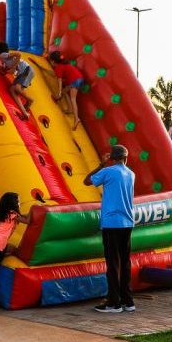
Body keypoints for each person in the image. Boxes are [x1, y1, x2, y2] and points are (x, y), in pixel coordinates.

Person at [84, 145, 136, 313]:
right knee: (125, 262)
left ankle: (113, 303)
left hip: (112, 222)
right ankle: (128, 300)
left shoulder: (108, 171)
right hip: (127, 222)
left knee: (113, 263)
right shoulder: (131, 174)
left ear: (111, 159)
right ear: (126, 158)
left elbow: (86, 181)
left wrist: (101, 164)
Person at [0, 192, 29, 309]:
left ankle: (2, 255)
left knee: (13, 248)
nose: (19, 203)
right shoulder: (12, 214)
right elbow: (27, 221)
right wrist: (34, 208)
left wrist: (33, 211)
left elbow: (24, 216)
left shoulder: (5, 213)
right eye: (18, 201)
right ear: (12, 203)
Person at [0, 41, 35, 120]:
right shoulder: (4, 62)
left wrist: (13, 68)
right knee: (12, 90)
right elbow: (4, 71)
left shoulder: (3, 55)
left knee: (17, 88)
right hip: (23, 73)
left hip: (26, 69)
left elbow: (18, 54)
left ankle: (30, 100)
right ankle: (25, 112)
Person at [47, 51, 84, 127]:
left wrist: (59, 92)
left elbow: (59, 81)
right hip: (79, 78)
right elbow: (56, 75)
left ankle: (76, 118)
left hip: (75, 80)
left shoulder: (59, 67)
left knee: (73, 98)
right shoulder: (64, 64)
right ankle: (69, 109)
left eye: (50, 61)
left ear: (53, 61)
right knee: (65, 92)